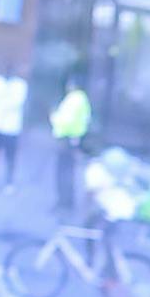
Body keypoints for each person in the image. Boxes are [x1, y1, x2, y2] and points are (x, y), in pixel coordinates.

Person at [50, 80, 93, 215]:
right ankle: (67, 201)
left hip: (66, 139)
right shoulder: (82, 99)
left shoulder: (74, 99)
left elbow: (65, 121)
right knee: (68, 171)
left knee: (63, 173)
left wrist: (53, 117)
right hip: (73, 140)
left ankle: (63, 202)